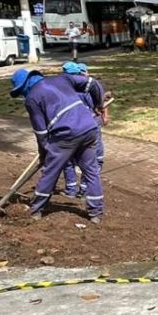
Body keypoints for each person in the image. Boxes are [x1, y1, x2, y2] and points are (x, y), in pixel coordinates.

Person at [10, 67, 105, 223]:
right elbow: (93, 83)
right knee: (91, 170)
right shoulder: (62, 79)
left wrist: (45, 153)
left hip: (65, 135)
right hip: (89, 128)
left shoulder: (32, 99)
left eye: (21, 91)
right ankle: (96, 213)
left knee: (51, 171)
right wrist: (97, 104)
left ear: (25, 86)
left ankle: (36, 210)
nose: (22, 95)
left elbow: (41, 133)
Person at [60, 61, 111, 197]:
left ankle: (73, 190)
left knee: (69, 159)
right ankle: (83, 189)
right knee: (92, 159)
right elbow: (100, 103)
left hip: (75, 128)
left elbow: (100, 103)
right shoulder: (87, 87)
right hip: (89, 127)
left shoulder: (65, 89)